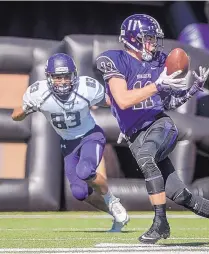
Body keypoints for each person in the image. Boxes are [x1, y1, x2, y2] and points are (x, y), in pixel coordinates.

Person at [96, 14, 209, 244]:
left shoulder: (159, 60)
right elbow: (123, 100)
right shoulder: (114, 60)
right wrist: (157, 85)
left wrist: (192, 89)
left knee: (147, 158)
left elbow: (168, 103)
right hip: (135, 135)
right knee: (179, 194)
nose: (152, 44)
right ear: (132, 38)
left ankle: (160, 223)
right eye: (147, 38)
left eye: (153, 39)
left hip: (160, 125)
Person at [11, 53, 129, 232]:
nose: (63, 81)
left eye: (66, 76)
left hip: (91, 136)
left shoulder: (85, 87)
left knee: (85, 170)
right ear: (49, 78)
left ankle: (113, 201)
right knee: (79, 193)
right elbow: (15, 116)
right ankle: (115, 214)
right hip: (68, 145)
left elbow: (113, 102)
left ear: (73, 75)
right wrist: (26, 109)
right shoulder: (38, 93)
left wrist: (128, 120)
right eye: (58, 77)